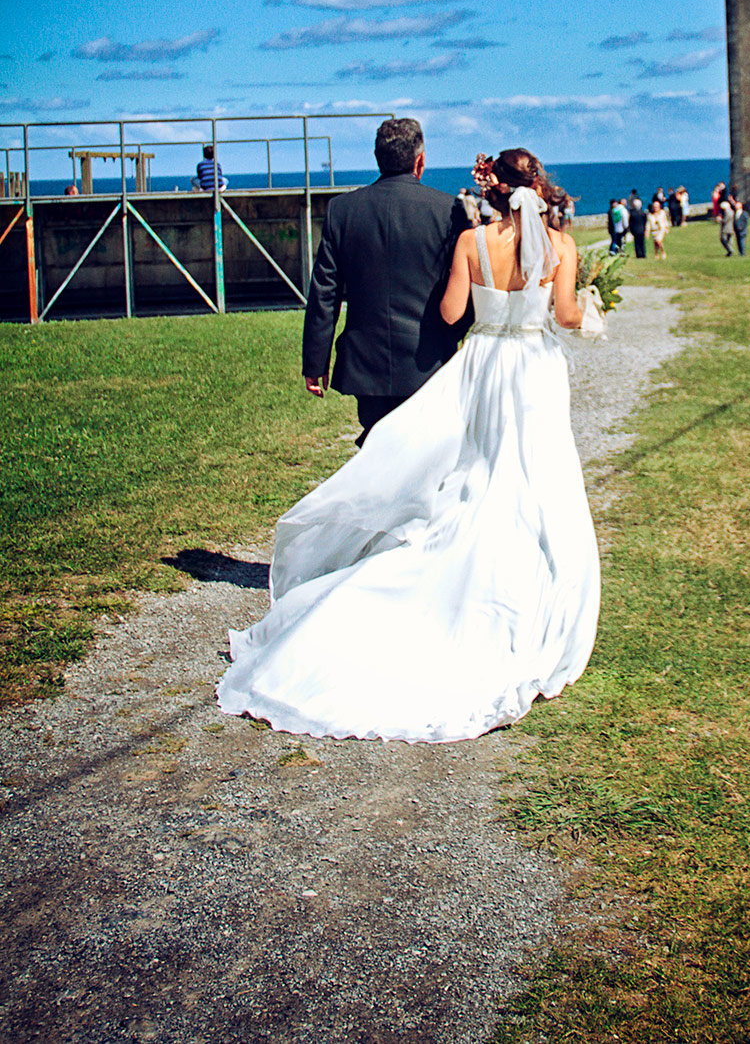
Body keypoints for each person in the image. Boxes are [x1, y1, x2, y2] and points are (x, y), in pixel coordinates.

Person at [217, 146, 600, 745]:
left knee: (478, 472)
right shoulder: (562, 247)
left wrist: (480, 296)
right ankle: (535, 581)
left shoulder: (472, 243)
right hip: (534, 370)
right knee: (536, 474)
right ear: (537, 187)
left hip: (486, 363)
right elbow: (568, 314)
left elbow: (451, 312)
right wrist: (590, 310)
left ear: (494, 187)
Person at [301, 117, 470, 447]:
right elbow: (465, 286)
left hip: (367, 362)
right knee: (428, 455)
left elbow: (324, 293)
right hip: (431, 358)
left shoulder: (342, 210)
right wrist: (452, 336)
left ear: (376, 157)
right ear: (420, 160)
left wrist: (315, 360)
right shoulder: (449, 210)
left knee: (378, 452)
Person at [627, 191, 648, 259]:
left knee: (636, 243)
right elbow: (645, 221)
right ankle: (643, 254)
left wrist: (631, 230)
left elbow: (630, 223)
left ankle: (638, 254)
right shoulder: (643, 213)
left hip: (635, 230)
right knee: (642, 242)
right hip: (642, 229)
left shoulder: (632, 214)